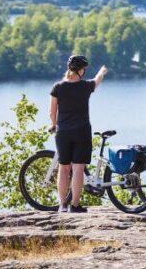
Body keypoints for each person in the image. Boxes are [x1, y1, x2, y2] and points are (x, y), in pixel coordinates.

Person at [50, 54, 108, 213]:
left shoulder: (58, 87)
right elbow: (97, 81)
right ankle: (75, 205)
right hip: (81, 131)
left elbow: (52, 112)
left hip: (63, 133)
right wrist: (102, 72)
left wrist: (54, 125)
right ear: (81, 70)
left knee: (63, 169)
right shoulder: (85, 86)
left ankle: (62, 205)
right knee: (78, 169)